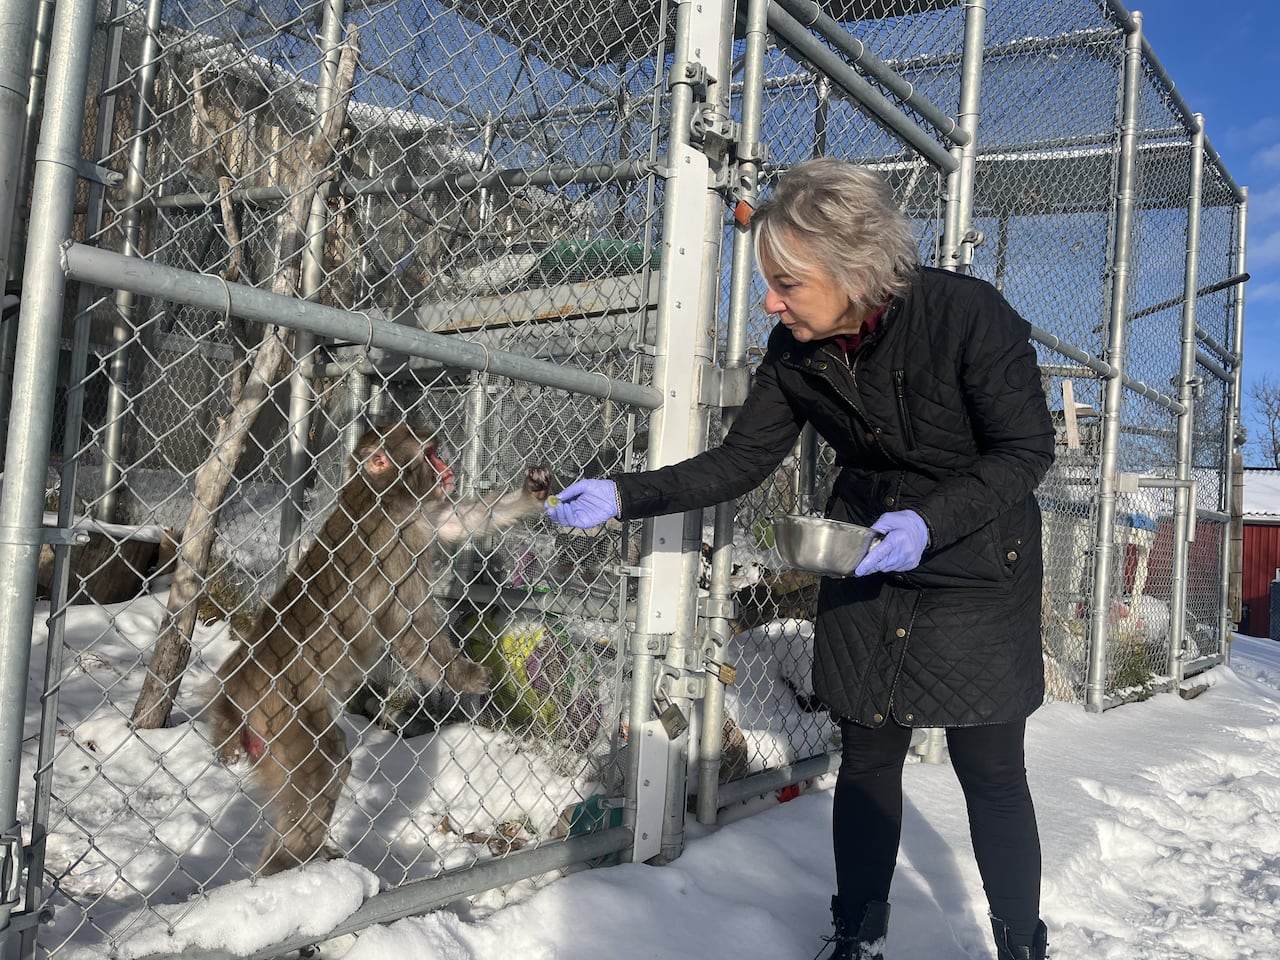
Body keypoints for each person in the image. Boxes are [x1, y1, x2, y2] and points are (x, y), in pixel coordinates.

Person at [545, 157, 1055, 960]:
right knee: (868, 754)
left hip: (978, 556)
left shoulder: (966, 315)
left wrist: (929, 521)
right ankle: (857, 936)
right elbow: (742, 460)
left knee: (987, 765)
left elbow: (1026, 450)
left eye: (787, 283)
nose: (770, 303)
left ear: (856, 270)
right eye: (769, 283)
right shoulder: (795, 350)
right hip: (865, 554)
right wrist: (624, 494)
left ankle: (1021, 946)